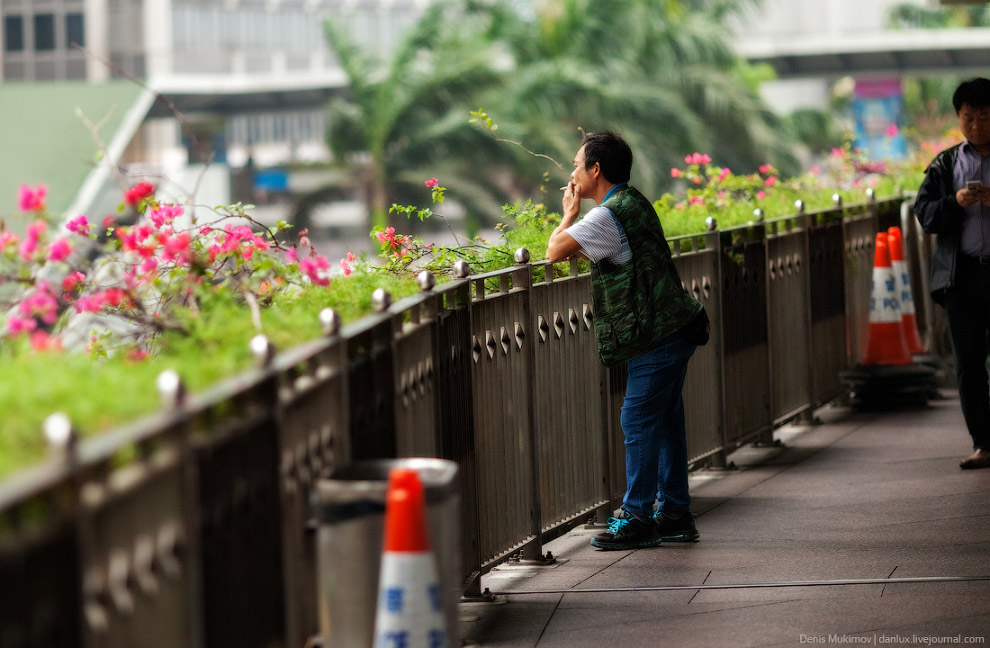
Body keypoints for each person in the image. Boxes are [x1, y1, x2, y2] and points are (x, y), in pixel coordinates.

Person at [546, 131, 707, 549]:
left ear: (595, 169)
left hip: (656, 334)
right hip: (672, 327)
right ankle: (674, 513)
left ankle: (637, 515)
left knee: (636, 418)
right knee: (666, 422)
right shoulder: (632, 202)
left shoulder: (605, 214)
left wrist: (567, 212)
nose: (572, 173)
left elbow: (554, 250)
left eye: (577, 165)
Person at [915, 77, 990, 470]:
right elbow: (924, 214)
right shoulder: (946, 163)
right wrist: (955, 202)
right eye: (968, 117)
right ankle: (984, 443)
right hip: (961, 278)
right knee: (969, 362)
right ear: (958, 117)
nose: (976, 126)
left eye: (984, 117)